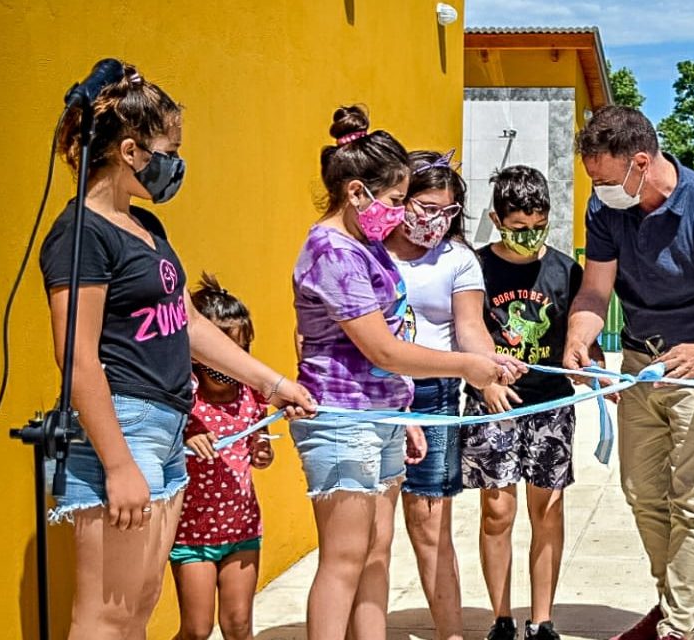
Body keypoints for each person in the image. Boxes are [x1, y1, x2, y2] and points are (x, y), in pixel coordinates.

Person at [38, 61, 315, 640]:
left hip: (163, 429)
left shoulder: (145, 228)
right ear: (133, 150)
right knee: (105, 616)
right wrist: (117, 466)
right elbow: (78, 358)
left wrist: (273, 384)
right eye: (172, 148)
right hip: (123, 429)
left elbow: (186, 323)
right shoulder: (81, 234)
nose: (178, 163)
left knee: (138, 604)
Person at [289, 106, 525, 640]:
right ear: (356, 193)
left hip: (381, 414)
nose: (398, 215)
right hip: (342, 418)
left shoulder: (364, 248)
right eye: (397, 201)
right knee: (344, 559)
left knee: (374, 554)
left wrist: (402, 411)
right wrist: (472, 367)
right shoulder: (332, 252)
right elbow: (385, 351)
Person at [562, 106, 694, 640]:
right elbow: (595, 290)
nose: (598, 189)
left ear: (641, 163)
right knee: (642, 491)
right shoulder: (606, 208)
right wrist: (580, 338)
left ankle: (678, 626)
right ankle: (677, 604)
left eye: (605, 179)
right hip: (639, 364)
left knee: (693, 499)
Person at [462, 165, 597, 640]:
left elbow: (581, 337)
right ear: (498, 219)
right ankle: (501, 617)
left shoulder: (564, 269)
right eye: (519, 227)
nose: (530, 236)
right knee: (497, 512)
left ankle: (542, 620)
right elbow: (465, 335)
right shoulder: (474, 267)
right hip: (492, 404)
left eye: (538, 226)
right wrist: (486, 384)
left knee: (549, 511)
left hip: (550, 406)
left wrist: (589, 364)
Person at [385, 149, 495, 640]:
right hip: (373, 394)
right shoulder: (366, 249)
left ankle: (450, 633)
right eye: (426, 206)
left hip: (433, 396)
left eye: (448, 211)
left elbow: (469, 328)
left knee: (431, 528)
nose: (436, 220)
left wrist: (486, 371)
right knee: (368, 533)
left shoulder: (458, 260)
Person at [171, 275, 274, 640]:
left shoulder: (250, 395)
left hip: (242, 528)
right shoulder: (185, 399)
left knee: (238, 625)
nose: (231, 364)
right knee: (197, 630)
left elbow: (260, 443)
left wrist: (263, 451)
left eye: (241, 352)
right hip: (192, 534)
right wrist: (188, 435)